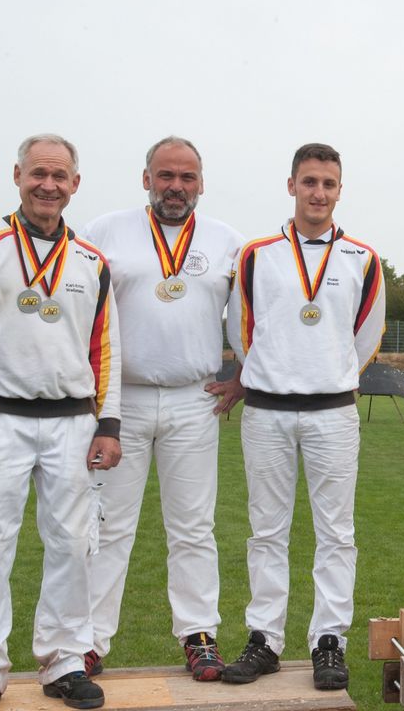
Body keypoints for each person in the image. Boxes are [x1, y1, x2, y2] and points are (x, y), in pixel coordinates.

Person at [0, 134, 120, 711]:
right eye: (39, 173)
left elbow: (107, 347)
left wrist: (108, 424)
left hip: (71, 423)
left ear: (76, 184)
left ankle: (64, 660)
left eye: (60, 176)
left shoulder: (91, 260)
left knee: (72, 543)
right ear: (17, 175)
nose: (49, 185)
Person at [221, 144, 385, 691]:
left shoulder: (362, 257)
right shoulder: (256, 254)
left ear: (341, 190)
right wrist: (269, 369)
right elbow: (240, 331)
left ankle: (328, 641)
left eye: (329, 184)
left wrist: (329, 372)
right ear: (291, 185)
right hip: (266, 410)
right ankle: (264, 638)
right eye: (310, 181)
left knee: (336, 532)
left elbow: (366, 336)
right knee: (266, 530)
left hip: (332, 411)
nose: (319, 193)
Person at [80, 136, 245, 681]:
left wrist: (242, 374)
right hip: (118, 401)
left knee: (194, 527)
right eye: (166, 176)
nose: (177, 187)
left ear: (202, 183)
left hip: (194, 399)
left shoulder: (226, 242)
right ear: (145, 178)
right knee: (105, 525)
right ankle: (87, 640)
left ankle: (199, 634)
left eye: (188, 177)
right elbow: (81, 308)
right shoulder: (106, 231)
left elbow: (253, 316)